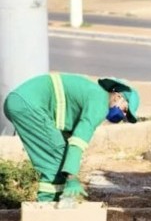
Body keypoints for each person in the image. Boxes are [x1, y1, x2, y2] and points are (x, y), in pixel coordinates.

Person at [3, 74, 140, 202]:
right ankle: (44, 209)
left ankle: (55, 206)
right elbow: (78, 141)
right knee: (55, 159)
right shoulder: (100, 103)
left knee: (58, 155)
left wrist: (68, 172)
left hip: (20, 101)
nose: (122, 116)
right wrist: (72, 177)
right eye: (125, 110)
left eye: (125, 116)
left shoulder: (93, 95)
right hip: (28, 104)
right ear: (117, 96)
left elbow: (69, 139)